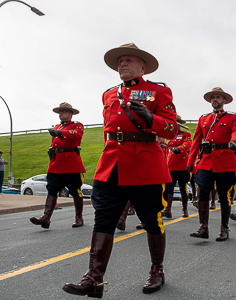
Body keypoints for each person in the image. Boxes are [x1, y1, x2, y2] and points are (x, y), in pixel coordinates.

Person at [63, 43, 177, 297]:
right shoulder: (108, 94)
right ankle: (93, 278)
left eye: (128, 60)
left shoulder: (159, 91)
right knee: (103, 219)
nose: (122, 64)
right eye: (119, 61)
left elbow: (171, 129)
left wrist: (151, 119)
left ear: (142, 67)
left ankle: (157, 270)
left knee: (151, 220)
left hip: (145, 163)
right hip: (112, 163)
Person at [187, 87, 236, 242]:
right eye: (213, 97)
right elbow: (196, 141)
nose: (215, 99)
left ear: (224, 101)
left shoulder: (232, 117)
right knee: (202, 190)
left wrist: (234, 142)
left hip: (225, 159)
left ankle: (224, 228)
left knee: (224, 194)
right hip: (206, 160)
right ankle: (203, 227)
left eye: (218, 97)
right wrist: (190, 161)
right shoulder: (203, 119)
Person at [30, 102, 85, 229]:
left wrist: (60, 134)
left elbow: (76, 135)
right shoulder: (57, 126)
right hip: (55, 163)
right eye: (59, 111)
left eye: (64, 111)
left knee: (75, 191)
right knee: (52, 189)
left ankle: (79, 217)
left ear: (70, 114)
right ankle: (46, 217)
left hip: (71, 163)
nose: (61, 113)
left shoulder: (77, 125)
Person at [162, 115, 192, 218]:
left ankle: (185, 209)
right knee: (169, 188)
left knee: (183, 188)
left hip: (182, 165)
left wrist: (179, 149)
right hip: (171, 165)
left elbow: (188, 144)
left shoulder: (185, 134)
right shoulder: (169, 136)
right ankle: (168, 210)